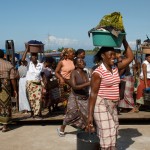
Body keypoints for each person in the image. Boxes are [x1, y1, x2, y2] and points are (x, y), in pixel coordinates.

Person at [87, 38, 134, 150]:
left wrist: (124, 40)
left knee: (113, 131)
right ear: (103, 56)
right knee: (107, 132)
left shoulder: (115, 68)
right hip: (101, 103)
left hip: (113, 104)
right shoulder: (98, 73)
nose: (114, 57)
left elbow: (130, 57)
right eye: (111, 54)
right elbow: (93, 94)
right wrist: (89, 116)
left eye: (114, 54)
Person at [57, 57, 90, 136]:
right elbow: (74, 86)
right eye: (80, 62)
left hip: (85, 97)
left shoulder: (86, 72)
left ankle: (85, 129)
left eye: (82, 60)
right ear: (76, 65)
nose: (82, 62)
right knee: (71, 114)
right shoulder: (74, 73)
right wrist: (88, 83)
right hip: (75, 97)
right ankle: (62, 128)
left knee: (86, 115)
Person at [22, 44, 44, 119]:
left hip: (38, 83)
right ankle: (33, 113)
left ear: (37, 57)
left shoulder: (40, 65)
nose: (34, 57)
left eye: (35, 56)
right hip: (30, 84)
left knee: (38, 98)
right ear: (30, 57)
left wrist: (44, 83)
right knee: (31, 99)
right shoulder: (28, 63)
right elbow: (22, 60)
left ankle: (37, 114)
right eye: (33, 56)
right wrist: (26, 50)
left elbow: (42, 74)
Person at [0, 49, 17, 132]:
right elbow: (12, 79)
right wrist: (14, 90)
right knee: (5, 105)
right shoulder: (8, 65)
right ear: (3, 56)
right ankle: (5, 126)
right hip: (5, 87)